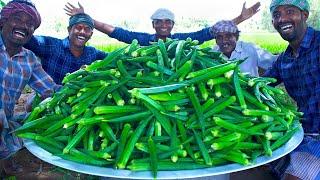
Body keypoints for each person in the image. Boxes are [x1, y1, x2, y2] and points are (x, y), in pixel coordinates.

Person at [0, 0, 60, 174]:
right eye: (17, 19)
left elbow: (51, 89)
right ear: (3, 21)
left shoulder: (29, 59)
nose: (23, 26)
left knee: (37, 122)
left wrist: (82, 82)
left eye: (30, 24)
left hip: (4, 124)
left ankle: (5, 159)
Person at [264, 0, 320, 179]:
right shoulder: (284, 59)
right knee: (251, 169)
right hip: (301, 133)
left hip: (317, 137)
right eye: (277, 15)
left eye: (290, 11)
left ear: (305, 15)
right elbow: (262, 83)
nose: (282, 19)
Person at [64, 2, 261, 46]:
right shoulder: (143, 40)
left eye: (168, 22)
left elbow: (210, 32)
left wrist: (240, 18)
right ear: (154, 25)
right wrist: (87, 17)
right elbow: (114, 31)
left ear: (173, 25)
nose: (164, 25)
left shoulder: (181, 41)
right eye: (160, 22)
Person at [24, 10, 108, 85]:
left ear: (91, 34)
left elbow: (117, 57)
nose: (82, 32)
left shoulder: (93, 53)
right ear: (69, 29)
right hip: (48, 98)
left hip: (78, 101)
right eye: (78, 28)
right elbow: (25, 39)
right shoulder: (52, 45)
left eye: (87, 29)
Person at [212, 20, 277, 76]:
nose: (224, 41)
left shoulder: (250, 49)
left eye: (228, 36)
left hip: (250, 90)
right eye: (219, 37)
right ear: (216, 40)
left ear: (236, 37)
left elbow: (273, 61)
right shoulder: (212, 54)